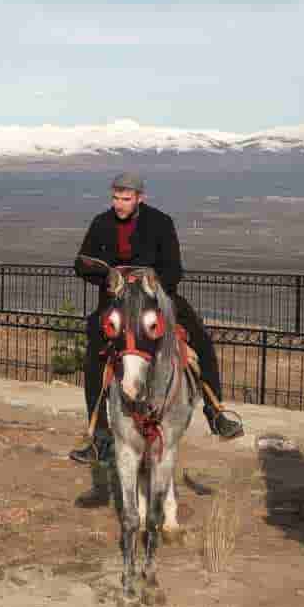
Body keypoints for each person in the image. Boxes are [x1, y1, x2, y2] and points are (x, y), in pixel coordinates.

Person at [69, 172, 243, 464]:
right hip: (116, 302)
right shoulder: (101, 223)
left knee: (200, 337)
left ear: (140, 198)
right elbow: (82, 262)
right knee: (94, 353)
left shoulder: (161, 223)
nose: (119, 204)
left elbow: (174, 269)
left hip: (157, 299)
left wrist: (151, 284)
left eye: (126, 199)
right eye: (115, 198)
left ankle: (215, 411)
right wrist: (108, 274)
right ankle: (100, 437)